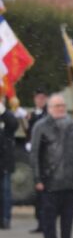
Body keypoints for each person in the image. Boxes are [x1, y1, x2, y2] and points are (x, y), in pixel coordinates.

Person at [29, 94, 73, 238]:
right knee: (49, 222)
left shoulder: (72, 126)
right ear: (49, 109)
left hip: (71, 182)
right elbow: (34, 154)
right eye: (57, 106)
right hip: (50, 182)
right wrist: (37, 178)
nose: (61, 109)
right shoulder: (41, 126)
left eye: (63, 105)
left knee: (68, 221)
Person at [26, 88, 48, 233]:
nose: (39, 101)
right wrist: (29, 142)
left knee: (45, 192)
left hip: (45, 157)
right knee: (38, 192)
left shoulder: (47, 114)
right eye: (37, 98)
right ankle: (40, 221)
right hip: (36, 157)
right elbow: (30, 131)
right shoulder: (34, 114)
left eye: (42, 98)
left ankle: (45, 221)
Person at [0, 98, 19, 229]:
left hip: (5, 161)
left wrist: (3, 111)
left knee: (5, 192)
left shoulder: (7, 116)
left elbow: (13, 125)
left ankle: (5, 218)